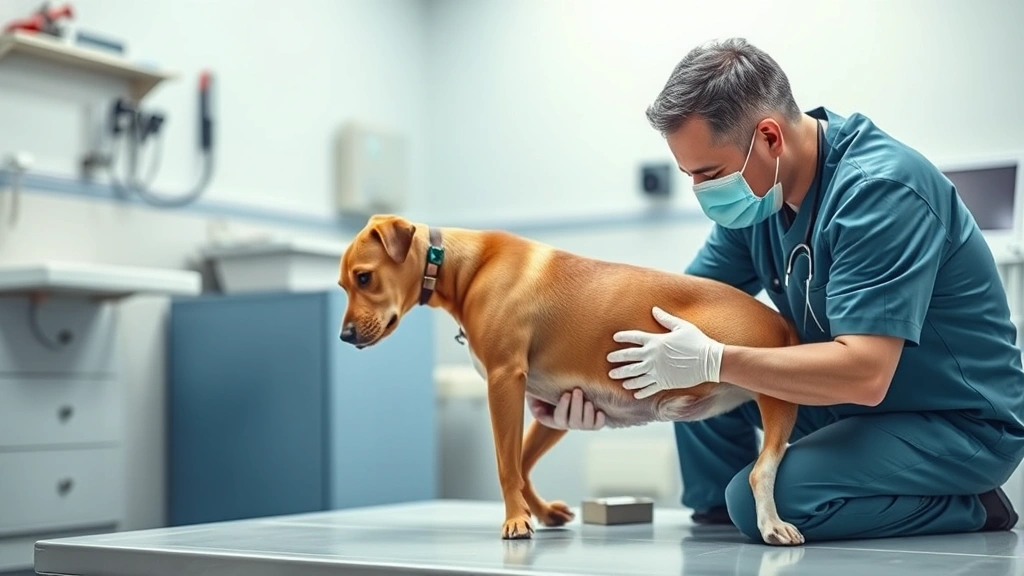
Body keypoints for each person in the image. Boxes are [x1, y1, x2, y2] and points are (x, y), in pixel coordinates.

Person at [529, 37, 1024, 543]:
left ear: (769, 137)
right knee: (689, 388)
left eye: (709, 174)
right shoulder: (760, 202)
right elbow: (671, 321)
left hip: (955, 424)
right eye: (690, 176)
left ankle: (972, 507)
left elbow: (865, 374)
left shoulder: (880, 192)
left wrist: (713, 361)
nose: (702, 192)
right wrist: (597, 398)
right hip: (845, 406)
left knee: (757, 494)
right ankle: (720, 522)